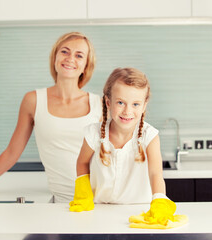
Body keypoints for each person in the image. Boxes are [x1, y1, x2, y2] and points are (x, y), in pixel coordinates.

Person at [0, 32, 102, 203]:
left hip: (100, 194)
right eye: (64, 51)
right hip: (63, 198)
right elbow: (12, 152)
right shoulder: (33, 100)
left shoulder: (98, 104)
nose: (70, 58)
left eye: (79, 55)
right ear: (55, 56)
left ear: (86, 65)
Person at [69, 67, 183, 226]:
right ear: (108, 102)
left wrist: (159, 199)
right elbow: (81, 162)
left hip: (137, 214)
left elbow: (156, 173)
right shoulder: (93, 133)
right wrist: (83, 191)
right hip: (98, 213)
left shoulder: (149, 136)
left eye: (136, 104)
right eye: (121, 102)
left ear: (144, 106)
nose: (127, 111)